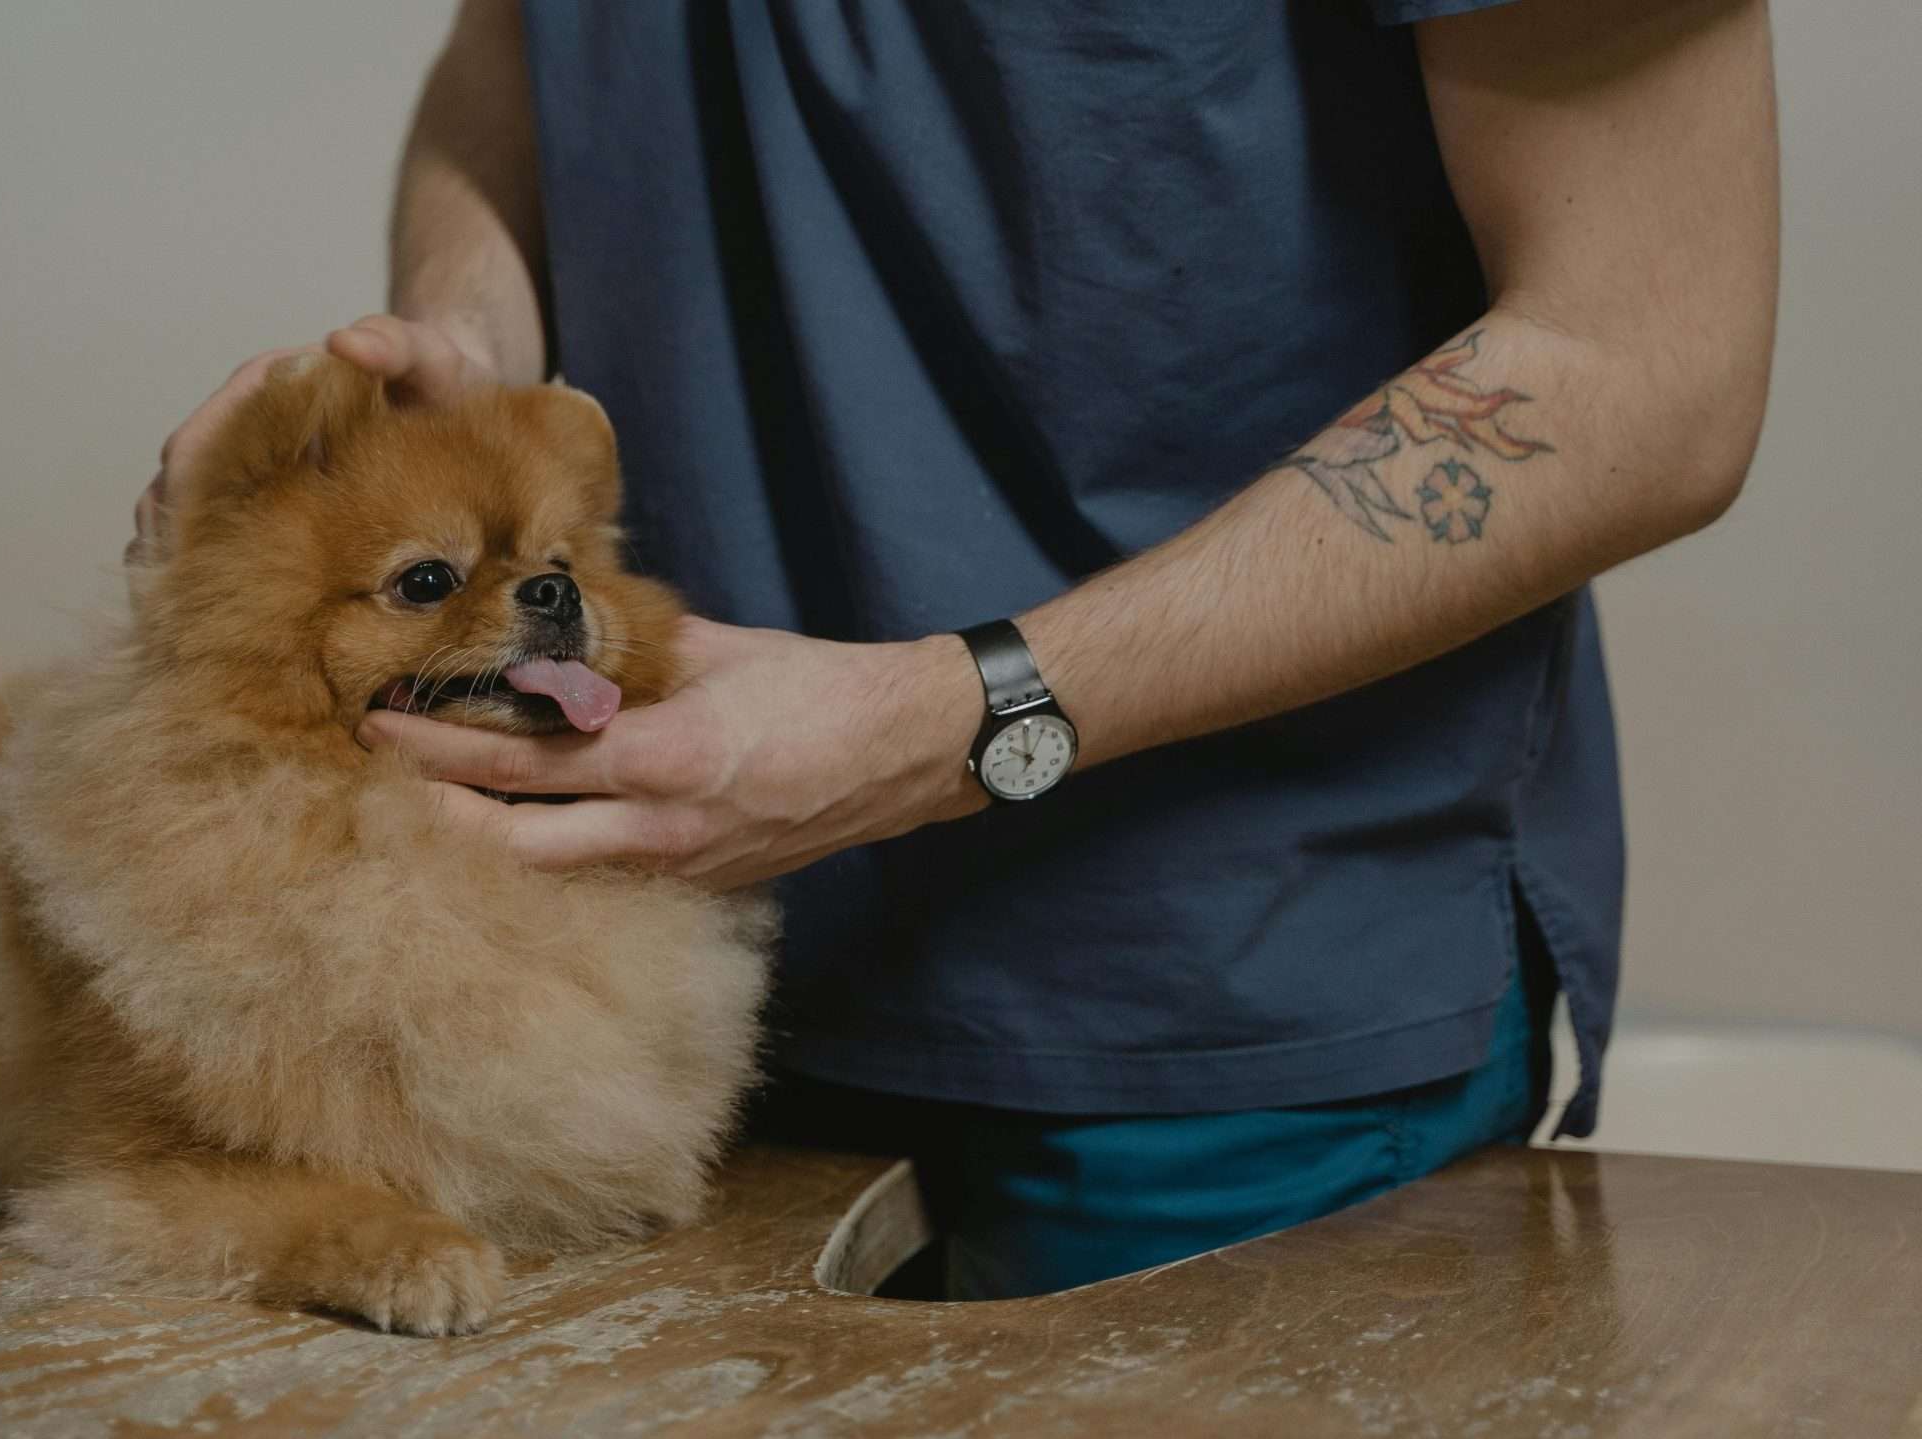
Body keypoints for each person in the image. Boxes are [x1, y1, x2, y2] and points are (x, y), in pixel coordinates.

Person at [138, 0, 1778, 1300]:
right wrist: (461, 358)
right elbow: (509, 61)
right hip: (653, 984)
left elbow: (1647, 361)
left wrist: (950, 717)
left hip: (1223, 1026)